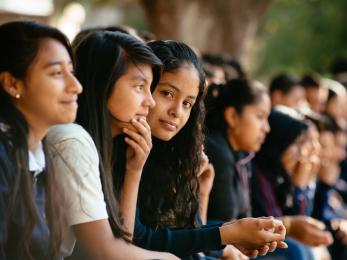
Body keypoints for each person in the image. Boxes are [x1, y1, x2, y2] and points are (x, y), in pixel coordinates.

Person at [133, 40, 287, 259]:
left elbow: (187, 239)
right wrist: (227, 235)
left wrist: (200, 192)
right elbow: (142, 239)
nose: (177, 111)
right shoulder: (129, 150)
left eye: (187, 103)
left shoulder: (177, 151)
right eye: (167, 93)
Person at [46, 31, 177, 259]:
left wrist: (134, 170)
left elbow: (122, 242)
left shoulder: (105, 144)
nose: (151, 101)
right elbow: (105, 253)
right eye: (139, 87)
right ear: (103, 83)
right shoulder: (72, 140)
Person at [0, 20, 82, 259]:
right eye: (57, 73)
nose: (76, 86)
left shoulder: (36, 154)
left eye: (72, 71)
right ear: (12, 83)